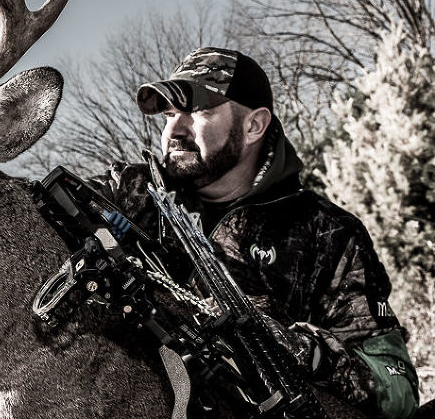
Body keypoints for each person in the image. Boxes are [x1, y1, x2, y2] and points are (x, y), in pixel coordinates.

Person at [87, 46, 419, 418]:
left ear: (254, 125)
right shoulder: (130, 191)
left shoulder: (325, 232)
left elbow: (398, 389)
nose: (174, 130)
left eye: (197, 112)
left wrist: (296, 348)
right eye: (168, 114)